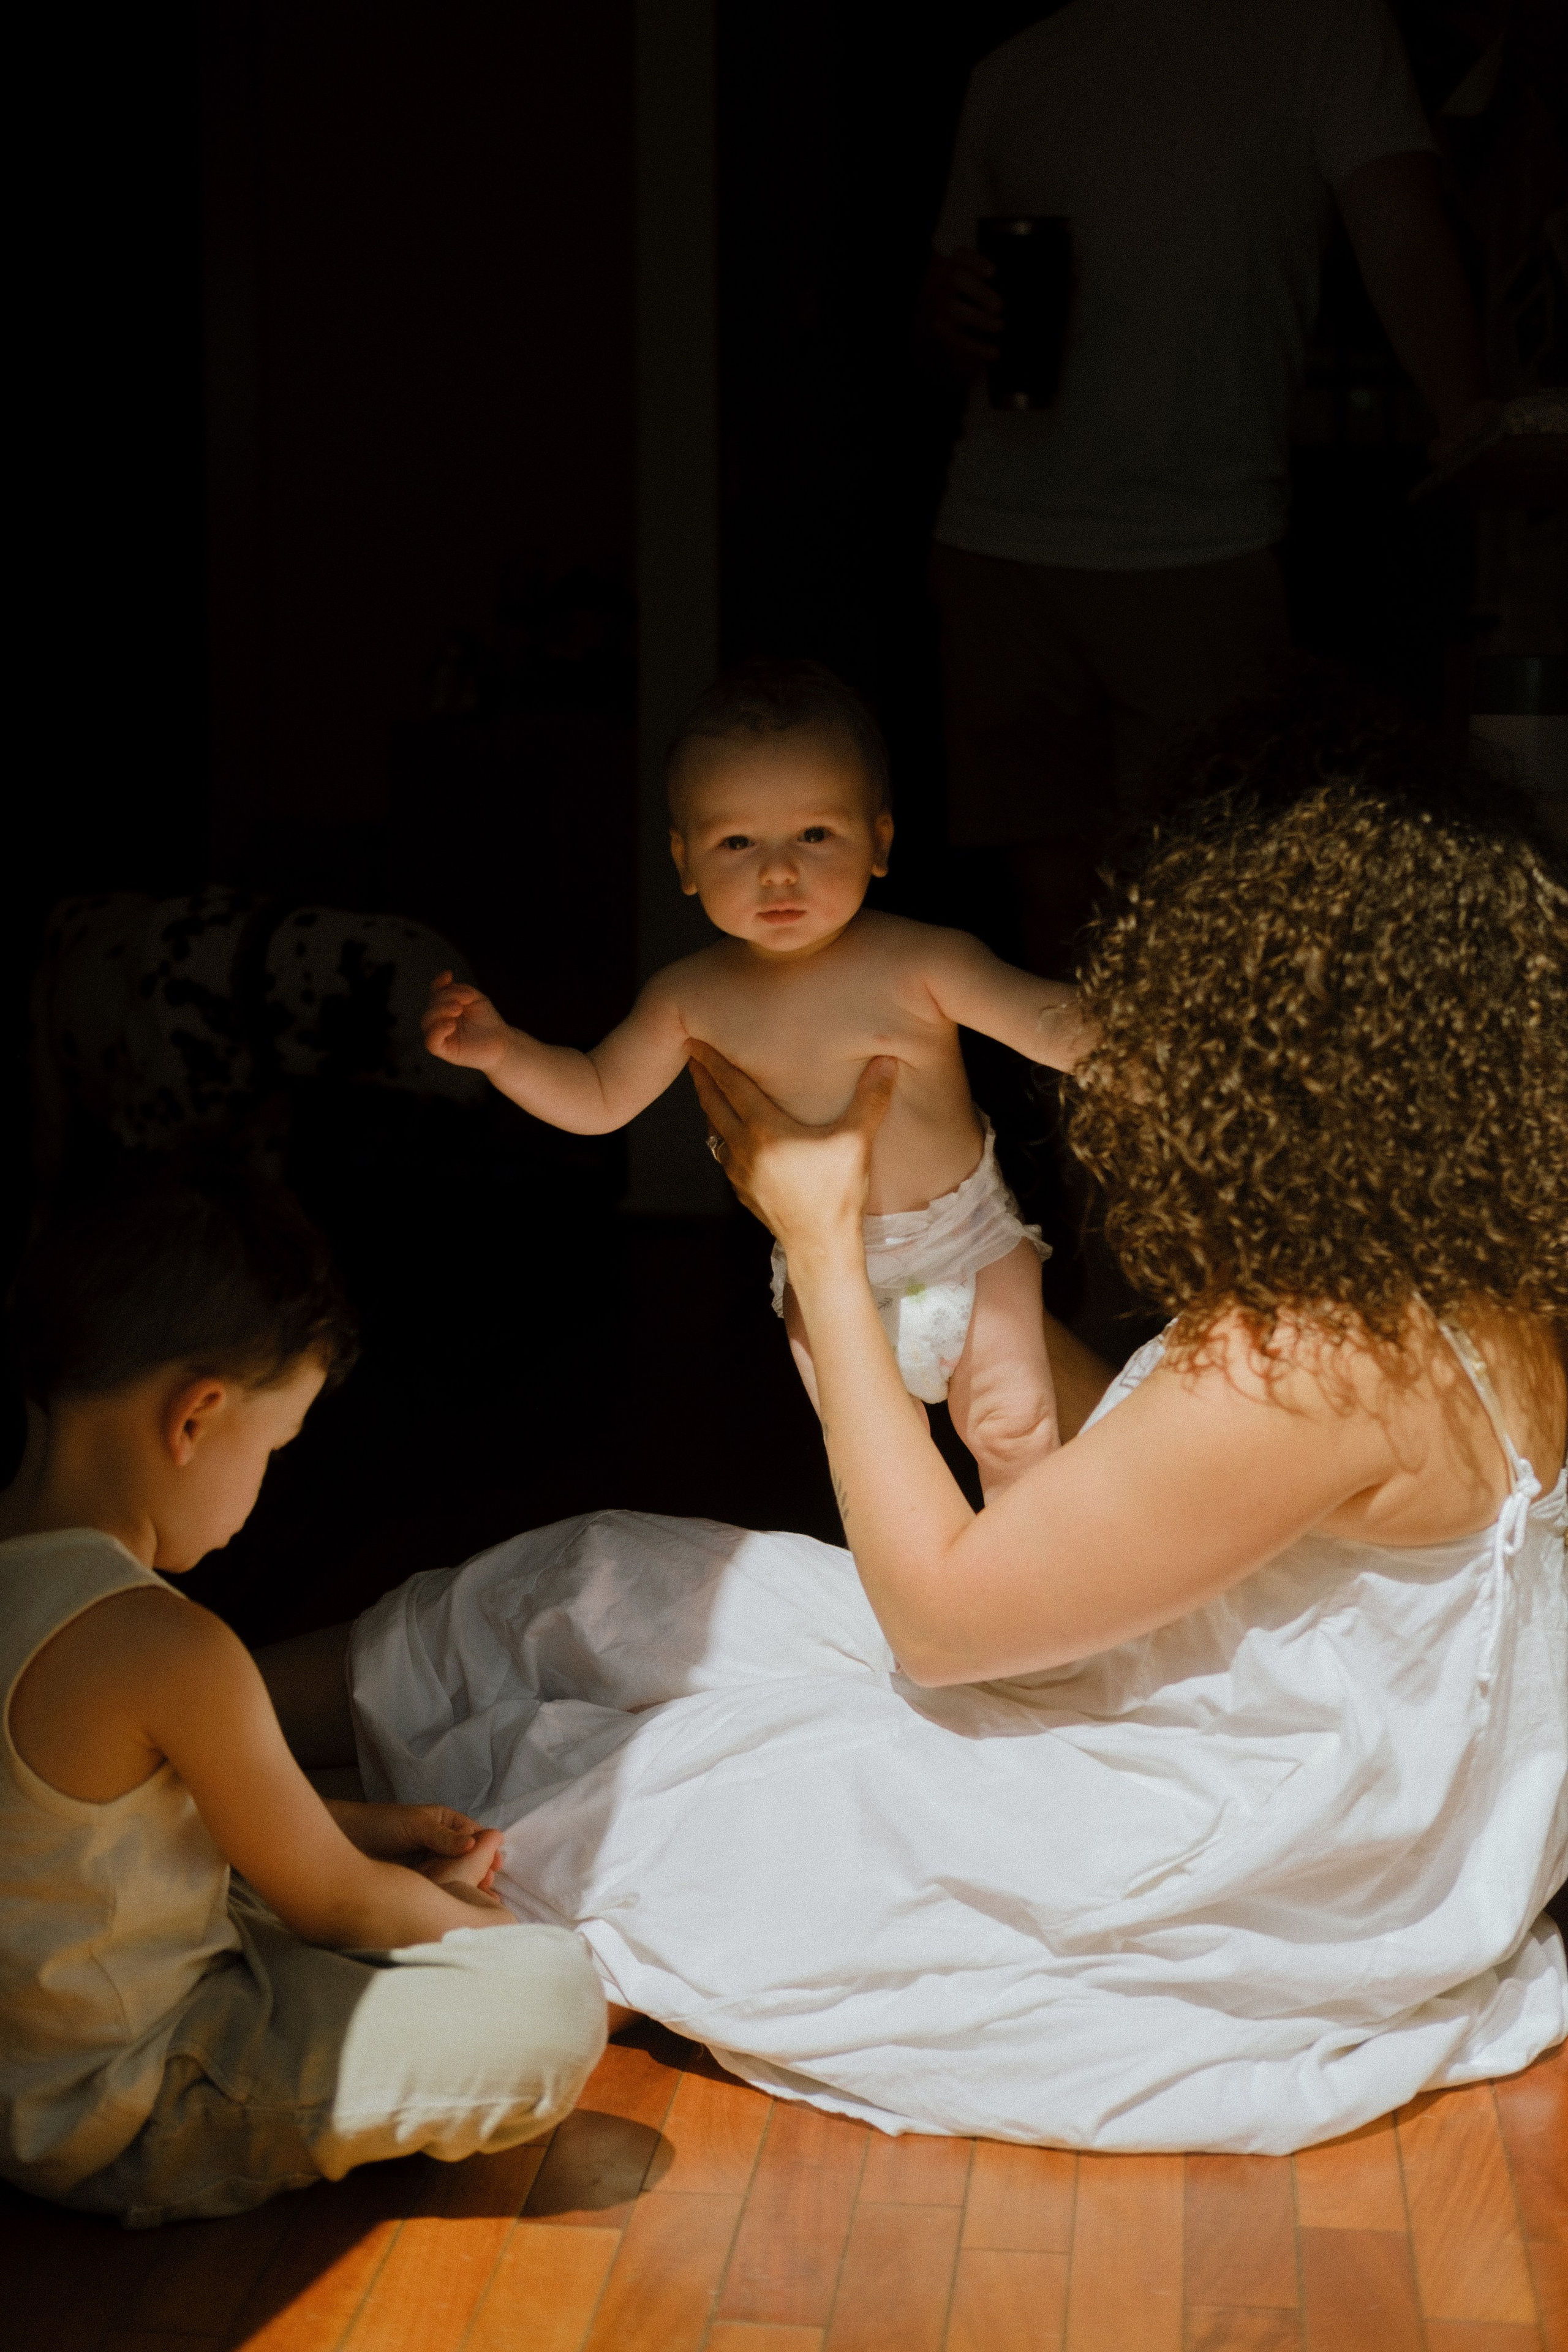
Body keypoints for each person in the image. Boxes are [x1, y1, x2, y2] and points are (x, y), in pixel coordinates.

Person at [304, 684, 1567, 2152]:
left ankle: (196, 1823)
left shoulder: (1320, 1355)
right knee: (594, 1585)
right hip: (1210, 1696)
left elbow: (944, 1629)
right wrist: (975, 1316)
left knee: (648, 1816)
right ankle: (180, 1710)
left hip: (1237, 1837)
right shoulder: (1455, 1260)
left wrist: (818, 1241)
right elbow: (1162, 1475)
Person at [0, 1167, 605, 2226]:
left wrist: (364, 1829)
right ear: (197, 1417)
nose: (265, 1483)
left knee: (295, 1884)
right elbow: (337, 1904)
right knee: (551, 1996)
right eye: (274, 1448)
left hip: (31, 2037)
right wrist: (466, 1921)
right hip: (122, 2097)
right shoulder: (164, 1645)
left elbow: (85, 1838)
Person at [423, 660, 1095, 1496]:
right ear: (685, 860)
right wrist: (505, 1052)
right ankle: (923, 1574)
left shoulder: (926, 962)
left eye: (815, 835)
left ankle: (1030, 1569)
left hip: (968, 1244)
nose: (778, 872)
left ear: (880, 841)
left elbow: (1061, 1030)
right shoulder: (689, 998)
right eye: (737, 843)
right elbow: (597, 1097)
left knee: (1013, 1422)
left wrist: (1177, 1024)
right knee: (877, 1460)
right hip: (826, 1272)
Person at [920, 0, 1496, 972]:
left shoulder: (1323, 29)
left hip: (1200, 538)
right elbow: (938, 331)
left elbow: (1399, 222)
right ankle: (1086, 1083)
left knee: (1207, 905)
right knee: (1052, 902)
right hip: (998, 532)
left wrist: (1469, 419)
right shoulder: (1016, 69)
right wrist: (944, 319)